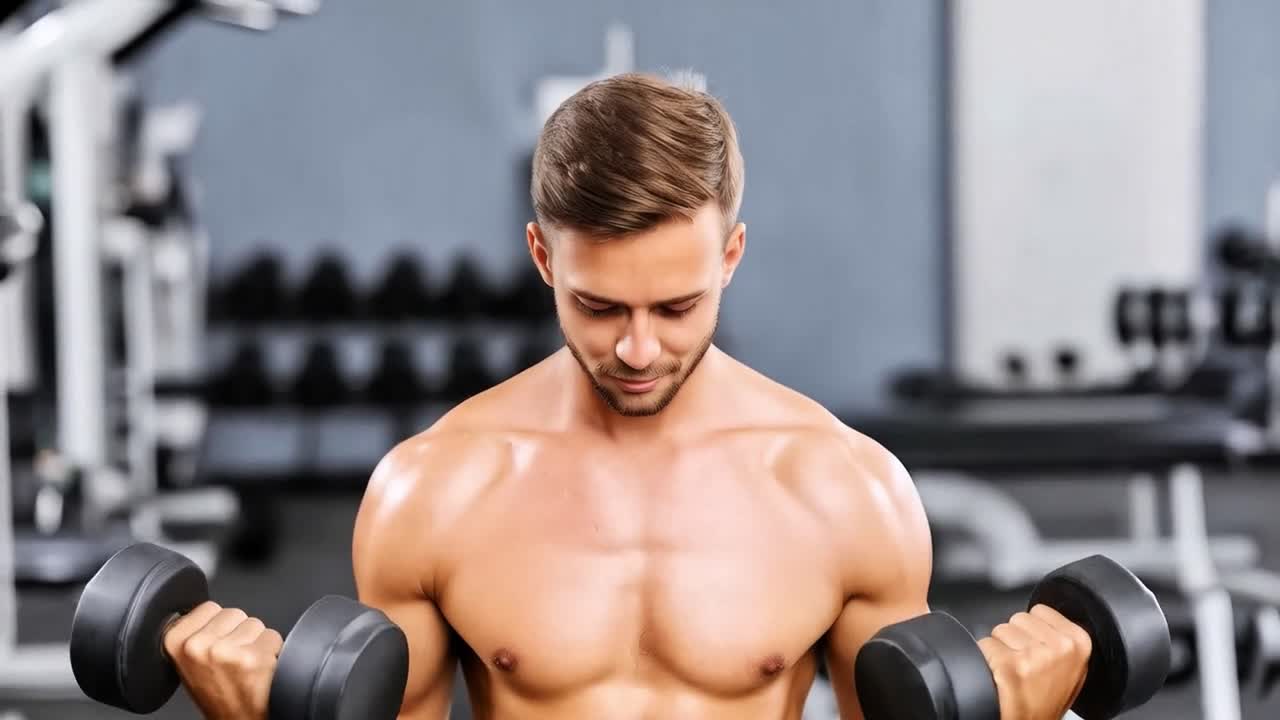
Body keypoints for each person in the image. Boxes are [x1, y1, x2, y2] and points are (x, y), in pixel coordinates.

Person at [163, 72, 1092, 720]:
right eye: (598, 305)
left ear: (730, 256)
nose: (639, 348)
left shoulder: (846, 489)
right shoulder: (433, 487)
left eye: (678, 305)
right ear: (541, 258)